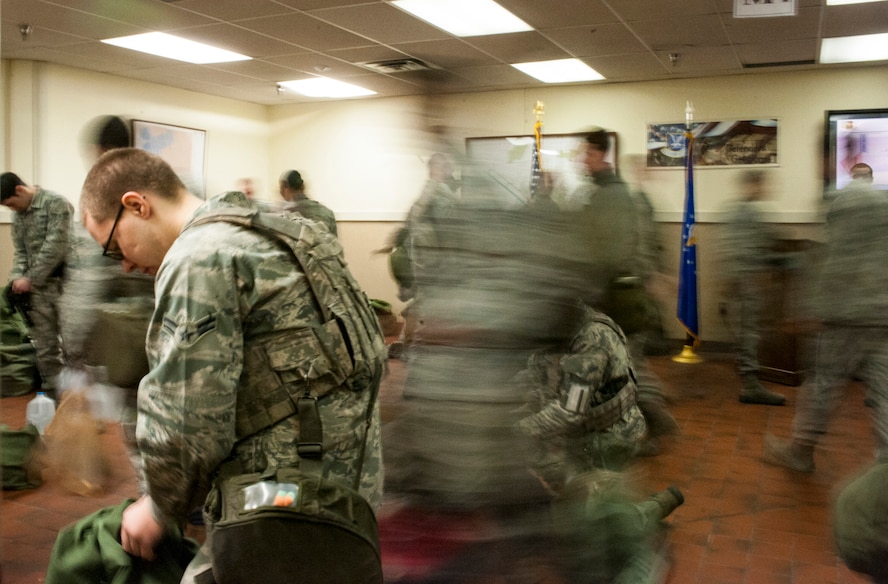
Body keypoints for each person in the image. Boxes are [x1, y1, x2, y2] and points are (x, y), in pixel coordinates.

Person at [78, 148, 385, 581]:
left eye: (112, 247)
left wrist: (159, 506)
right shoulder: (280, 227)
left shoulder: (198, 257)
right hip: (350, 472)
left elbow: (189, 414)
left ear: (136, 205)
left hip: (281, 493)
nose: (125, 263)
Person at [763, 170, 888, 473]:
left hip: (844, 315)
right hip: (881, 314)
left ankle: (801, 451)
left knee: (823, 385)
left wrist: (809, 309)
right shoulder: (884, 204)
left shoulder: (844, 202)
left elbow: (834, 262)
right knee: (884, 389)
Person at [574, 132, 677, 453]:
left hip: (616, 300)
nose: (582, 160)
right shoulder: (606, 195)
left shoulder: (612, 197)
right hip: (616, 297)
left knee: (628, 369)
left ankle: (658, 421)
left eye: (586, 154)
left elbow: (610, 255)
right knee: (622, 367)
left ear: (600, 154)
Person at [720, 170, 789, 406]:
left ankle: (750, 380)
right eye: (761, 184)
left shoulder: (737, 211)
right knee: (749, 333)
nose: (765, 189)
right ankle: (750, 386)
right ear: (753, 185)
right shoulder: (746, 213)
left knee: (748, 333)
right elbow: (751, 250)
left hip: (744, 279)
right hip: (747, 279)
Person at [1, 172, 74, 394]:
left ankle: (77, 397)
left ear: (20, 190)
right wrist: (15, 280)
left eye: (12, 204)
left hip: (66, 286)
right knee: (45, 345)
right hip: (38, 292)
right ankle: (53, 393)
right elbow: (21, 252)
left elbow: (55, 247)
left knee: (74, 345)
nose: (13, 210)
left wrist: (30, 278)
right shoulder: (19, 216)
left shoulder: (56, 204)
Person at [278, 169, 337, 235]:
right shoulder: (327, 212)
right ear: (303, 186)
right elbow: (335, 243)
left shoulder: (287, 215)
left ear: (284, 189)